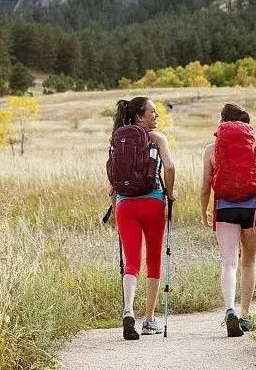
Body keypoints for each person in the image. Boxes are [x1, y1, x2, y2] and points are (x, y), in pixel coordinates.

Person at [200, 103, 256, 337]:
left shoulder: (211, 150)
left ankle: (230, 310)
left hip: (225, 207)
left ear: (223, 122)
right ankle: (246, 315)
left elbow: (204, 188)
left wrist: (203, 211)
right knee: (249, 261)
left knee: (229, 262)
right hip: (254, 209)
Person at [108, 96, 176, 340]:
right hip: (152, 202)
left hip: (125, 206)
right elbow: (169, 167)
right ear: (140, 116)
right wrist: (169, 193)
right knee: (154, 261)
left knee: (132, 261)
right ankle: (148, 320)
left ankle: (128, 310)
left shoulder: (117, 139)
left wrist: (114, 205)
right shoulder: (157, 139)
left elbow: (113, 179)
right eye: (152, 112)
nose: (156, 116)